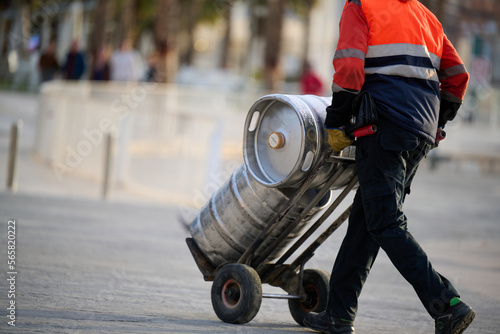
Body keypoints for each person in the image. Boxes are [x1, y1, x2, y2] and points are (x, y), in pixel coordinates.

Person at [303, 1, 474, 334]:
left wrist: (337, 121)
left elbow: (350, 66)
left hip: (383, 129)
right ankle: (338, 314)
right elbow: (457, 76)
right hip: (420, 133)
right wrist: (438, 120)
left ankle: (446, 303)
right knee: (367, 223)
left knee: (384, 222)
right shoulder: (426, 16)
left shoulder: (361, 5)